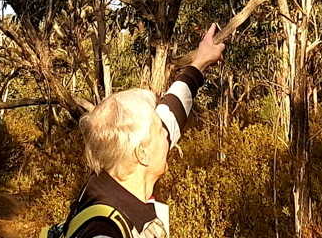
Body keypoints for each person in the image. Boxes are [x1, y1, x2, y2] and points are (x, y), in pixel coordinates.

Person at [48, 24, 227, 238]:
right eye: (158, 127)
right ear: (142, 153)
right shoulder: (103, 230)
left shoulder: (105, 181)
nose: (167, 131)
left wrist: (200, 62)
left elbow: (172, 112)